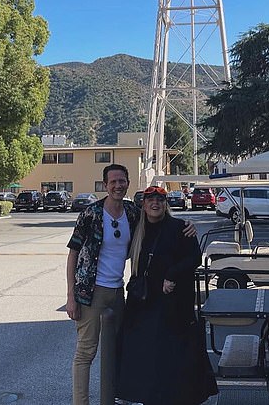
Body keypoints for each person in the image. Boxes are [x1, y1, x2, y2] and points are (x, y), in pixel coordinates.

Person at [66, 165, 196, 405]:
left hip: (118, 291)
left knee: (119, 349)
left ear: (127, 183)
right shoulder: (91, 214)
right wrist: (71, 295)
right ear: (105, 185)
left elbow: (158, 222)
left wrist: (187, 225)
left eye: (122, 181)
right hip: (90, 292)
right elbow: (73, 252)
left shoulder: (132, 212)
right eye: (113, 181)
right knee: (86, 353)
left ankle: (115, 397)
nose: (118, 185)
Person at [116, 186, 218, 405]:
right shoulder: (136, 228)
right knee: (144, 355)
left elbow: (194, 258)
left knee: (171, 355)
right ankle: (145, 397)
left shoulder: (181, 227)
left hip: (172, 304)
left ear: (166, 204)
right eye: (151, 200)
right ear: (143, 204)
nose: (155, 204)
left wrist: (172, 275)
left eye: (160, 200)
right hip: (142, 302)